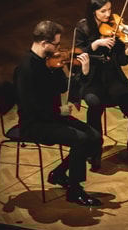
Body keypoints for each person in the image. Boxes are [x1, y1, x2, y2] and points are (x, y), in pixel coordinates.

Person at [14, 20, 102, 206]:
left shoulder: (49, 63)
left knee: (94, 136)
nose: (59, 48)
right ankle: (75, 191)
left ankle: (59, 173)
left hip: (53, 117)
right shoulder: (26, 69)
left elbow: (63, 87)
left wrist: (77, 73)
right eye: (56, 44)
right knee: (80, 139)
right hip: (34, 124)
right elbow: (31, 108)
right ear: (44, 44)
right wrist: (60, 112)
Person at [74, 0, 128, 166]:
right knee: (94, 104)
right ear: (93, 13)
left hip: (113, 79)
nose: (108, 15)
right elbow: (76, 56)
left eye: (109, 10)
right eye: (103, 12)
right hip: (91, 81)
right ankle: (94, 152)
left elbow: (122, 60)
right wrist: (95, 44)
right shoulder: (82, 28)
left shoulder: (115, 27)